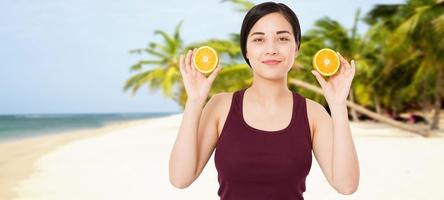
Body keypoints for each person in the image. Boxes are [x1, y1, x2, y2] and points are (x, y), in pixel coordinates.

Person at [169, 2, 360, 199]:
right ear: (246, 51)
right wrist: (194, 101)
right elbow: (180, 178)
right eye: (259, 40)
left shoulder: (313, 113)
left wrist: (338, 106)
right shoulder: (220, 106)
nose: (271, 49)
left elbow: (346, 185)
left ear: (296, 48)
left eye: (283, 38)